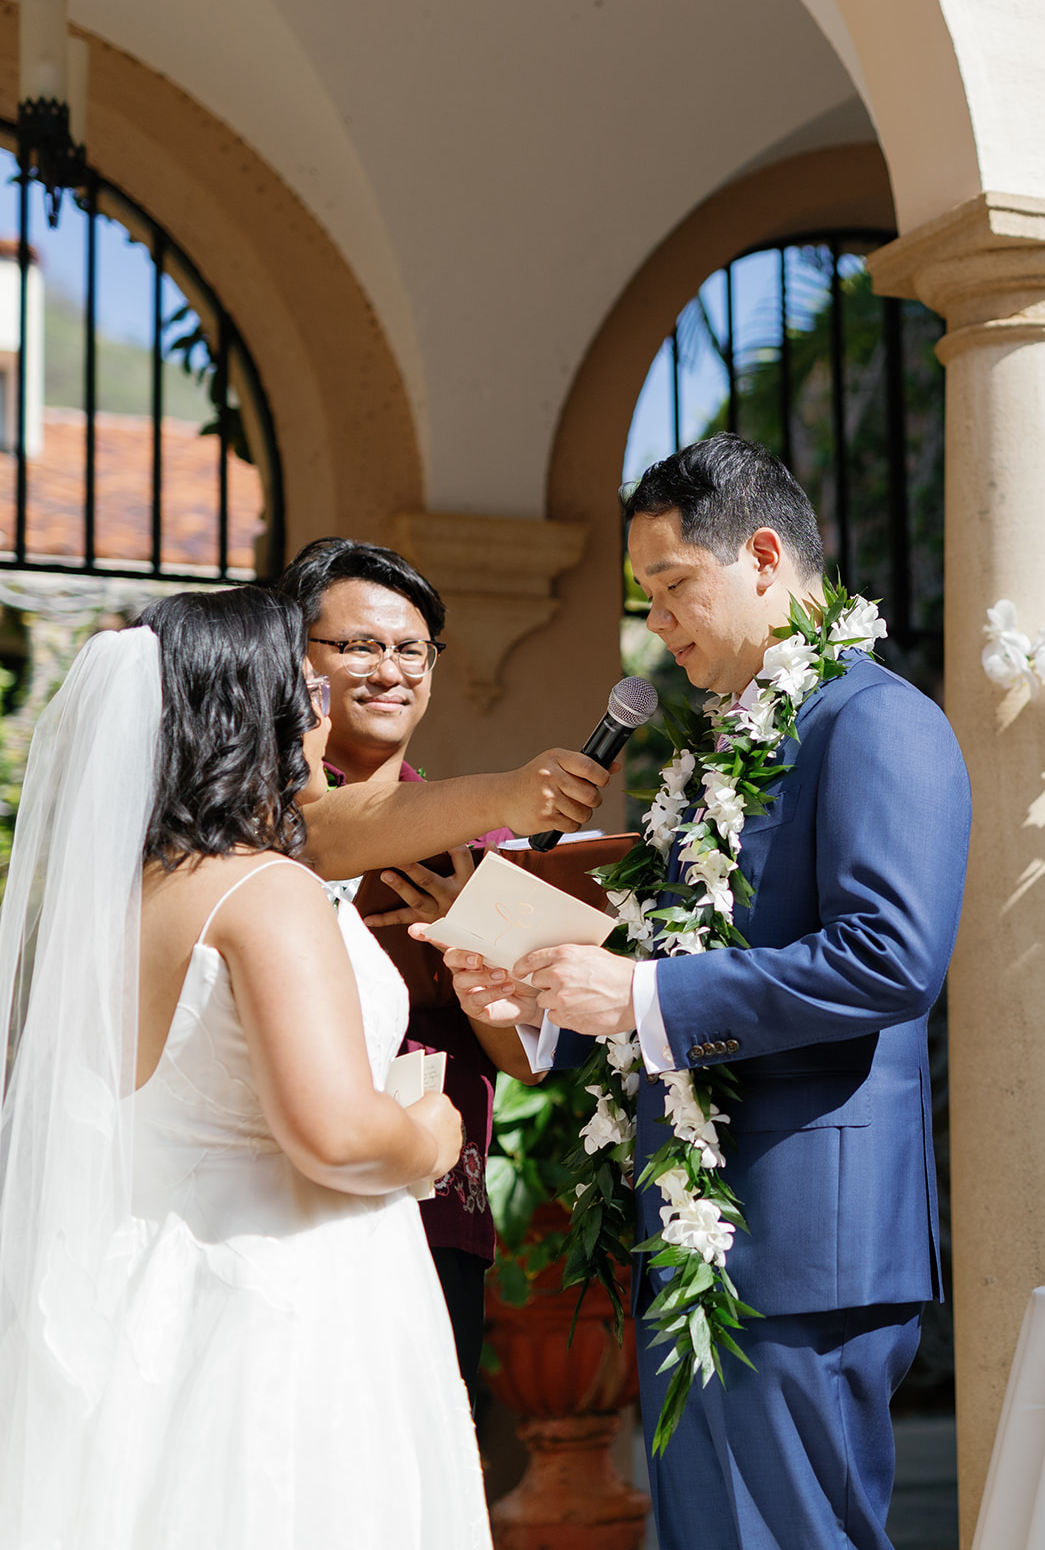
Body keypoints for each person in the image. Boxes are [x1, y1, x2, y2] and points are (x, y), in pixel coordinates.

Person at [437, 434, 972, 1550]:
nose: (657, 625)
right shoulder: (709, 758)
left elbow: (888, 958)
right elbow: (658, 978)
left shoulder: (872, 721)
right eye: (647, 597)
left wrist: (636, 995)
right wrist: (532, 1001)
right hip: (690, 1229)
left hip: (805, 1237)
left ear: (764, 556)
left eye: (673, 586)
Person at [0, 584, 606, 1548]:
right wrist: (430, 1131)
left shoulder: (120, 897)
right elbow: (333, 1132)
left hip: (155, 1283)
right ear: (255, 713)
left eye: (413, 650)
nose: (332, 701)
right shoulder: (268, 891)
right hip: (284, 1304)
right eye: (312, 682)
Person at [277, 538, 542, 1408]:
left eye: (410, 649)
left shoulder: (482, 847)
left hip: (435, 1207)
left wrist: (475, 954)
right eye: (357, 646)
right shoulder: (254, 814)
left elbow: (523, 1056)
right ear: (295, 657)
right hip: (286, 1192)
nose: (390, 671)